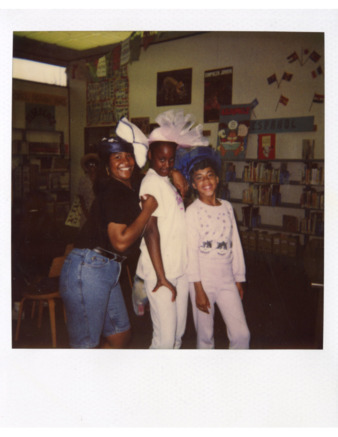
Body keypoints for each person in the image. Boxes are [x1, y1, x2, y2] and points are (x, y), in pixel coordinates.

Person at [59, 118, 158, 349]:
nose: (125, 161)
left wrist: (175, 175)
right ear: (107, 167)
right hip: (89, 268)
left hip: (106, 269)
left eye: (128, 156)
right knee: (85, 345)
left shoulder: (125, 187)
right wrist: (148, 211)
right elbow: (121, 242)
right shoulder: (114, 191)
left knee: (120, 336)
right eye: (117, 157)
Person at [136, 110, 209, 349]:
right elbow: (151, 232)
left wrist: (175, 175)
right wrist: (161, 277)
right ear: (150, 156)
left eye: (171, 160)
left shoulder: (166, 180)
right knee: (164, 340)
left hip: (179, 270)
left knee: (177, 335)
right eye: (161, 160)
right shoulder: (150, 184)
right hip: (161, 274)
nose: (167, 165)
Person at [182, 146, 250, 349]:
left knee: (242, 334)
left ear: (217, 179)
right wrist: (198, 289)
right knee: (205, 337)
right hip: (203, 281)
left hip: (227, 279)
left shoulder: (227, 207)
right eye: (200, 178)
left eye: (210, 175)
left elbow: (235, 244)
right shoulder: (192, 212)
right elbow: (191, 252)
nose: (206, 181)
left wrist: (239, 277)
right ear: (194, 184)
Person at [78, 153, 99, 229]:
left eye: (94, 164)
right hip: (86, 211)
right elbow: (81, 198)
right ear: (86, 166)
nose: (92, 166)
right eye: (90, 164)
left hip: (99, 211)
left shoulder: (101, 180)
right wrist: (86, 213)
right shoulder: (83, 180)